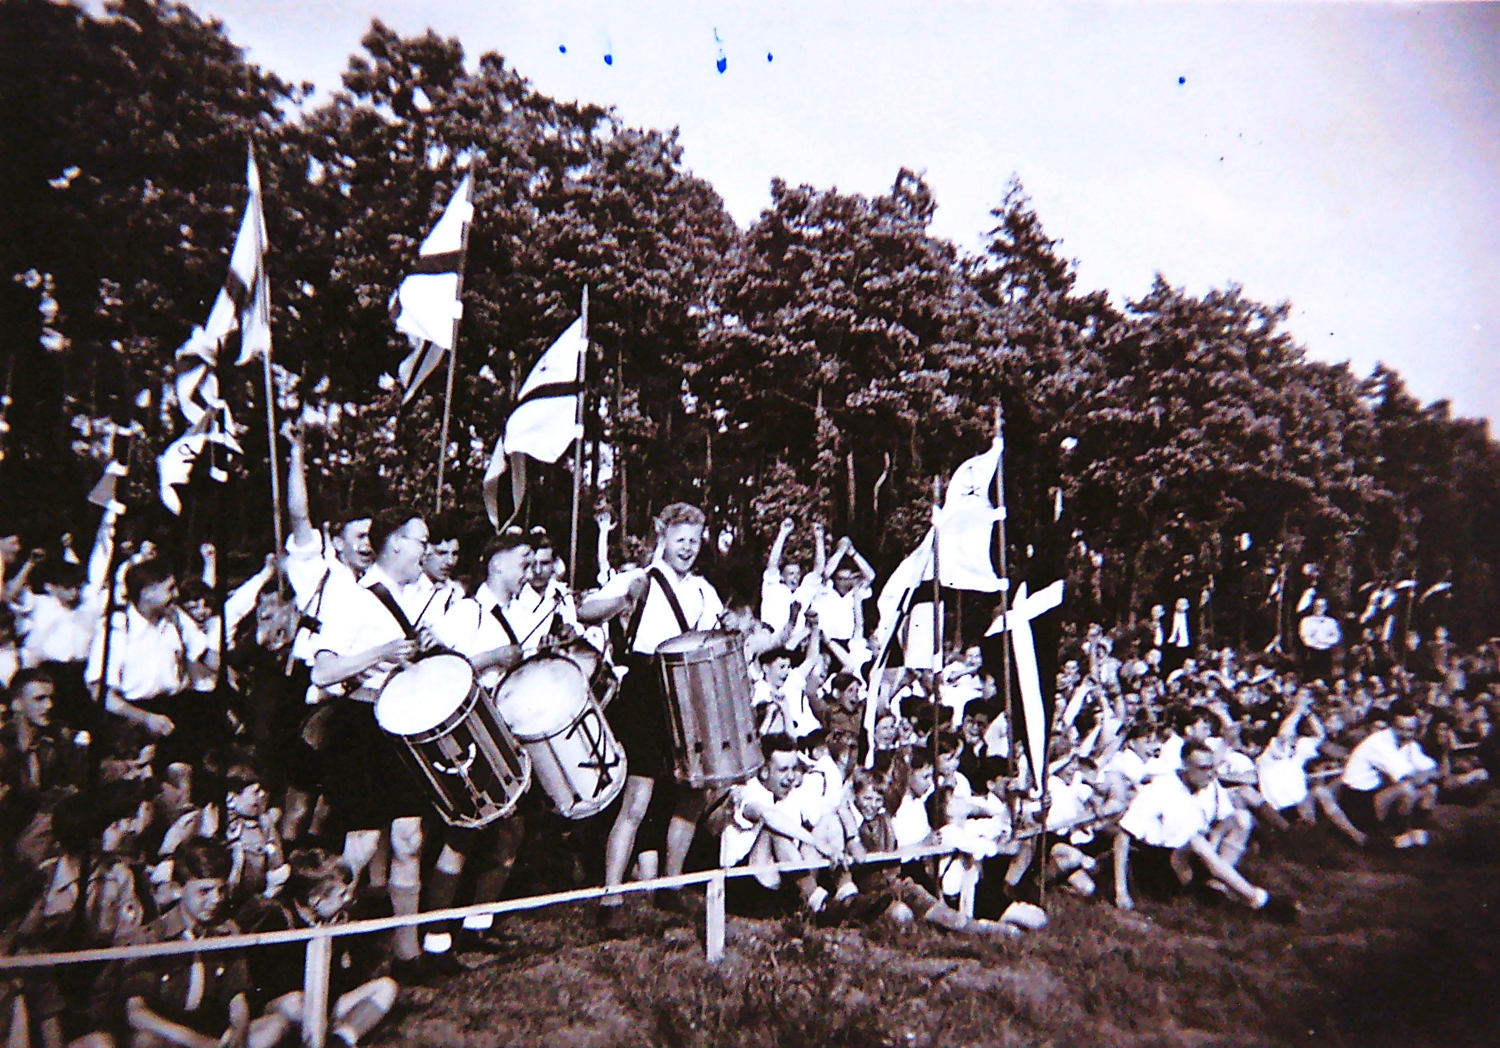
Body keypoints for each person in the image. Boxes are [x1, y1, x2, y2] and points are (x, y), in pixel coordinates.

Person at [309, 506, 447, 978]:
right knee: (363, 843)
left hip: (398, 725)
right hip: (360, 726)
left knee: (409, 839)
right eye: (420, 541)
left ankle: (407, 956)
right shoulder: (353, 599)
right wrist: (384, 652)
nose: (426, 550)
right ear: (395, 544)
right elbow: (323, 670)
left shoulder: (412, 599)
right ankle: (323, 948)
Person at [577, 502, 724, 929]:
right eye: (681, 540)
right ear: (662, 536)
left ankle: (670, 887)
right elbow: (585, 611)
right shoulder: (637, 578)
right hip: (644, 690)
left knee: (693, 793)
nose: (689, 549)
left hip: (688, 690)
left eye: (695, 542)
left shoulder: (701, 590)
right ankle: (611, 898)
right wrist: (623, 600)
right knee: (637, 799)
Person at [118, 838, 293, 1048]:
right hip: (170, 1035)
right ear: (177, 889)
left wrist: (239, 1029)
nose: (216, 900)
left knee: (276, 1024)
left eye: (221, 890)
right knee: (146, 1042)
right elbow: (136, 1012)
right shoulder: (152, 937)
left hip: (211, 1031)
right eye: (204, 891)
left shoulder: (226, 932)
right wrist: (193, 1040)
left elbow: (237, 997)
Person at [1113, 741, 1293, 919]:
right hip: (1161, 861)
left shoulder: (1210, 785)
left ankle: (1217, 885)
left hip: (1194, 855)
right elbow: (1123, 837)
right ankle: (1257, 899)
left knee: (1241, 819)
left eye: (1213, 767)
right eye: (1203, 768)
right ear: (1185, 767)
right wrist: (1121, 891)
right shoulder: (1158, 790)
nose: (1210, 773)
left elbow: (1226, 817)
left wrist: (1214, 840)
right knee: (1196, 841)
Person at [84, 556, 219, 768]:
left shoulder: (176, 618)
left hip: (177, 711)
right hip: (133, 720)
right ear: (147, 592)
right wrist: (145, 718)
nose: (176, 595)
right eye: (170, 589)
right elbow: (99, 692)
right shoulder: (117, 628)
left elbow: (206, 656)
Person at [719, 733, 843, 914]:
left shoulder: (791, 793)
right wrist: (816, 842)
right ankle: (815, 901)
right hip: (742, 883)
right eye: (783, 770)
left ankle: (844, 894)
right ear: (764, 771)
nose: (791, 777)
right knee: (776, 830)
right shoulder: (746, 791)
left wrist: (828, 843)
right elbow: (769, 816)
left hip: (777, 879)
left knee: (826, 823)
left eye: (794, 769)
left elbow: (820, 816)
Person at [1333, 699, 1439, 848]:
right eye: (1401, 729)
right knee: (1406, 788)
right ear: (1391, 726)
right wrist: (1423, 775)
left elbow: (1432, 768)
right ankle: (1392, 835)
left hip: (1377, 795)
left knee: (1430, 790)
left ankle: (1418, 832)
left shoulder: (1409, 744)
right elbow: (1409, 776)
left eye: (1410, 730)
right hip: (1356, 801)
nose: (1407, 735)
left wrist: (1425, 774)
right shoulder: (1379, 743)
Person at [1298, 597, 1341, 683]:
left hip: (1327, 654)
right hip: (1312, 654)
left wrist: (1320, 639)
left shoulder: (1331, 622)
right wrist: (1322, 640)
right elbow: (1306, 639)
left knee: (1326, 678)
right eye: (1317, 606)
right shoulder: (1306, 621)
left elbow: (1336, 638)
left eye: (1322, 606)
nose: (1319, 608)